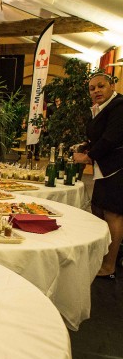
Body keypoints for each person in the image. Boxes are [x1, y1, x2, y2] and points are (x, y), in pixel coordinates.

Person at [73, 73, 123, 279]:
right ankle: (99, 259)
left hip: (117, 168)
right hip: (104, 168)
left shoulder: (119, 106)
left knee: (113, 215)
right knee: (100, 212)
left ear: (112, 85)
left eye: (101, 86)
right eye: (92, 88)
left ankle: (109, 264)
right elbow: (100, 136)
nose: (96, 91)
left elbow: (111, 139)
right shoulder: (103, 108)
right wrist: (87, 146)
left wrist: (87, 157)